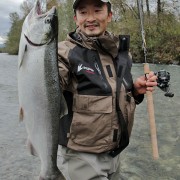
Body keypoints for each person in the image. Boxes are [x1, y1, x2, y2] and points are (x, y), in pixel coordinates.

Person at [57, 0, 157, 179]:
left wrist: (134, 90)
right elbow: (50, 86)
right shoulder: (63, 52)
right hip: (82, 155)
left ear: (109, 15)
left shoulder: (121, 52)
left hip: (115, 152)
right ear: (75, 18)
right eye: (83, 12)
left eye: (97, 10)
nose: (91, 18)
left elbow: (115, 95)